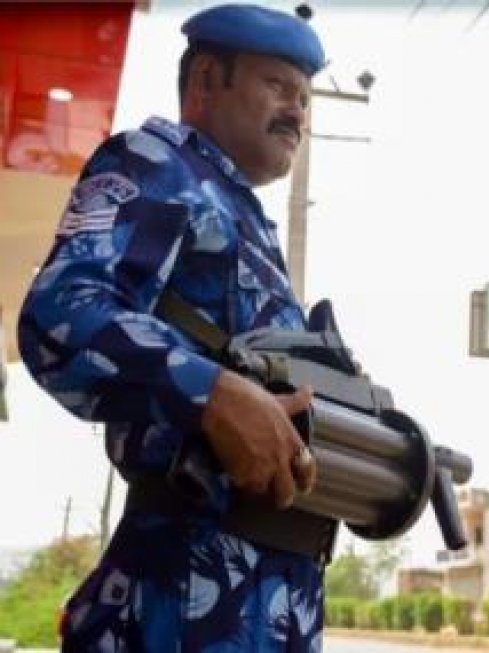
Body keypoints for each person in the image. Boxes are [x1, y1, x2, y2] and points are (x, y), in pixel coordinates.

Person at [18, 4, 334, 651]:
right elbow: (61, 312)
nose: (298, 112)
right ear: (207, 80)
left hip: (267, 605)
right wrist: (213, 394)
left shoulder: (244, 218)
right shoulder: (156, 165)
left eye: (305, 98)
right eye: (278, 86)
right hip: (182, 602)